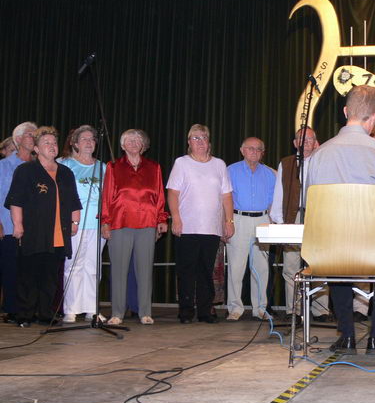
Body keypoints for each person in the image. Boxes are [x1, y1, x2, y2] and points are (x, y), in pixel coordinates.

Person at [306, 84, 375, 354]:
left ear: (346, 111)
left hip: (329, 250)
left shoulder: (318, 155)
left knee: (339, 264)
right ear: (374, 119)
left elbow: (308, 205)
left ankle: (347, 336)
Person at [5, 127, 82, 327]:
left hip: (58, 233)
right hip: (33, 231)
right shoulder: (26, 171)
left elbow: (74, 201)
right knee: (28, 275)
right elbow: (16, 201)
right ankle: (25, 315)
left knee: (50, 277)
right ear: (37, 149)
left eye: (54, 143)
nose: (52, 146)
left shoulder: (65, 172)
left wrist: (74, 223)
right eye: (46, 143)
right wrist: (18, 225)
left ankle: (46, 314)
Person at [167, 124, 234, 324]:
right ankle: (186, 311)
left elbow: (227, 196)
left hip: (212, 228)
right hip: (187, 227)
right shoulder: (182, 163)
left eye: (203, 137)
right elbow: (173, 193)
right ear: (189, 142)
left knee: (207, 271)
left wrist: (228, 221)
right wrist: (176, 218)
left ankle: (205, 311)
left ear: (209, 142)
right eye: (195, 138)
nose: (200, 142)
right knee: (186, 270)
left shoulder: (219, 165)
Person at [101, 129, 168, 326]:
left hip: (147, 222)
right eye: (128, 140)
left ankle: (145, 312)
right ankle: (117, 313)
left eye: (137, 139)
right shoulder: (113, 167)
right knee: (119, 270)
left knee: (145, 269)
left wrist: (161, 219)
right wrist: (106, 221)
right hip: (120, 222)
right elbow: (106, 198)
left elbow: (159, 196)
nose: (133, 142)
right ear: (122, 145)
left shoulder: (154, 168)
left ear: (143, 145)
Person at [270, 127, 330, 322]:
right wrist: (280, 221)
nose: (306, 143)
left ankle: (320, 310)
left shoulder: (324, 161)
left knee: (319, 264)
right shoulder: (286, 164)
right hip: (293, 217)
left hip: (319, 216)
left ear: (316, 143)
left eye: (310, 139)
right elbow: (279, 194)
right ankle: (293, 310)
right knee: (291, 266)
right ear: (295, 143)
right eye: (301, 139)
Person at [225, 137, 276, 321]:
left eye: (258, 149)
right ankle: (235, 308)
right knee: (236, 267)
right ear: (242, 150)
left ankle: (260, 308)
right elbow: (225, 199)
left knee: (261, 268)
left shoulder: (271, 174)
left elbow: (272, 202)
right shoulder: (230, 171)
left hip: (263, 220)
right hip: (238, 218)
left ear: (263, 153)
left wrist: (271, 224)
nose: (254, 152)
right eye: (250, 148)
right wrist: (227, 221)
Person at [59, 125, 106, 322]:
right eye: (84, 139)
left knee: (93, 267)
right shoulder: (65, 164)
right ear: (75, 143)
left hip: (97, 224)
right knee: (73, 265)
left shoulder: (103, 167)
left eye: (92, 139)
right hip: (74, 223)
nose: (89, 142)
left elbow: (108, 198)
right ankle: (71, 308)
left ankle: (91, 308)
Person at [0, 122, 37, 324]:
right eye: (29, 135)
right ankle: (13, 310)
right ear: (18, 140)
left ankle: (30, 309)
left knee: (30, 270)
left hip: (35, 230)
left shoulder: (40, 166)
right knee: (11, 269)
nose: (33, 138)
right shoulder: (3, 166)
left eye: (35, 135)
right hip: (7, 227)